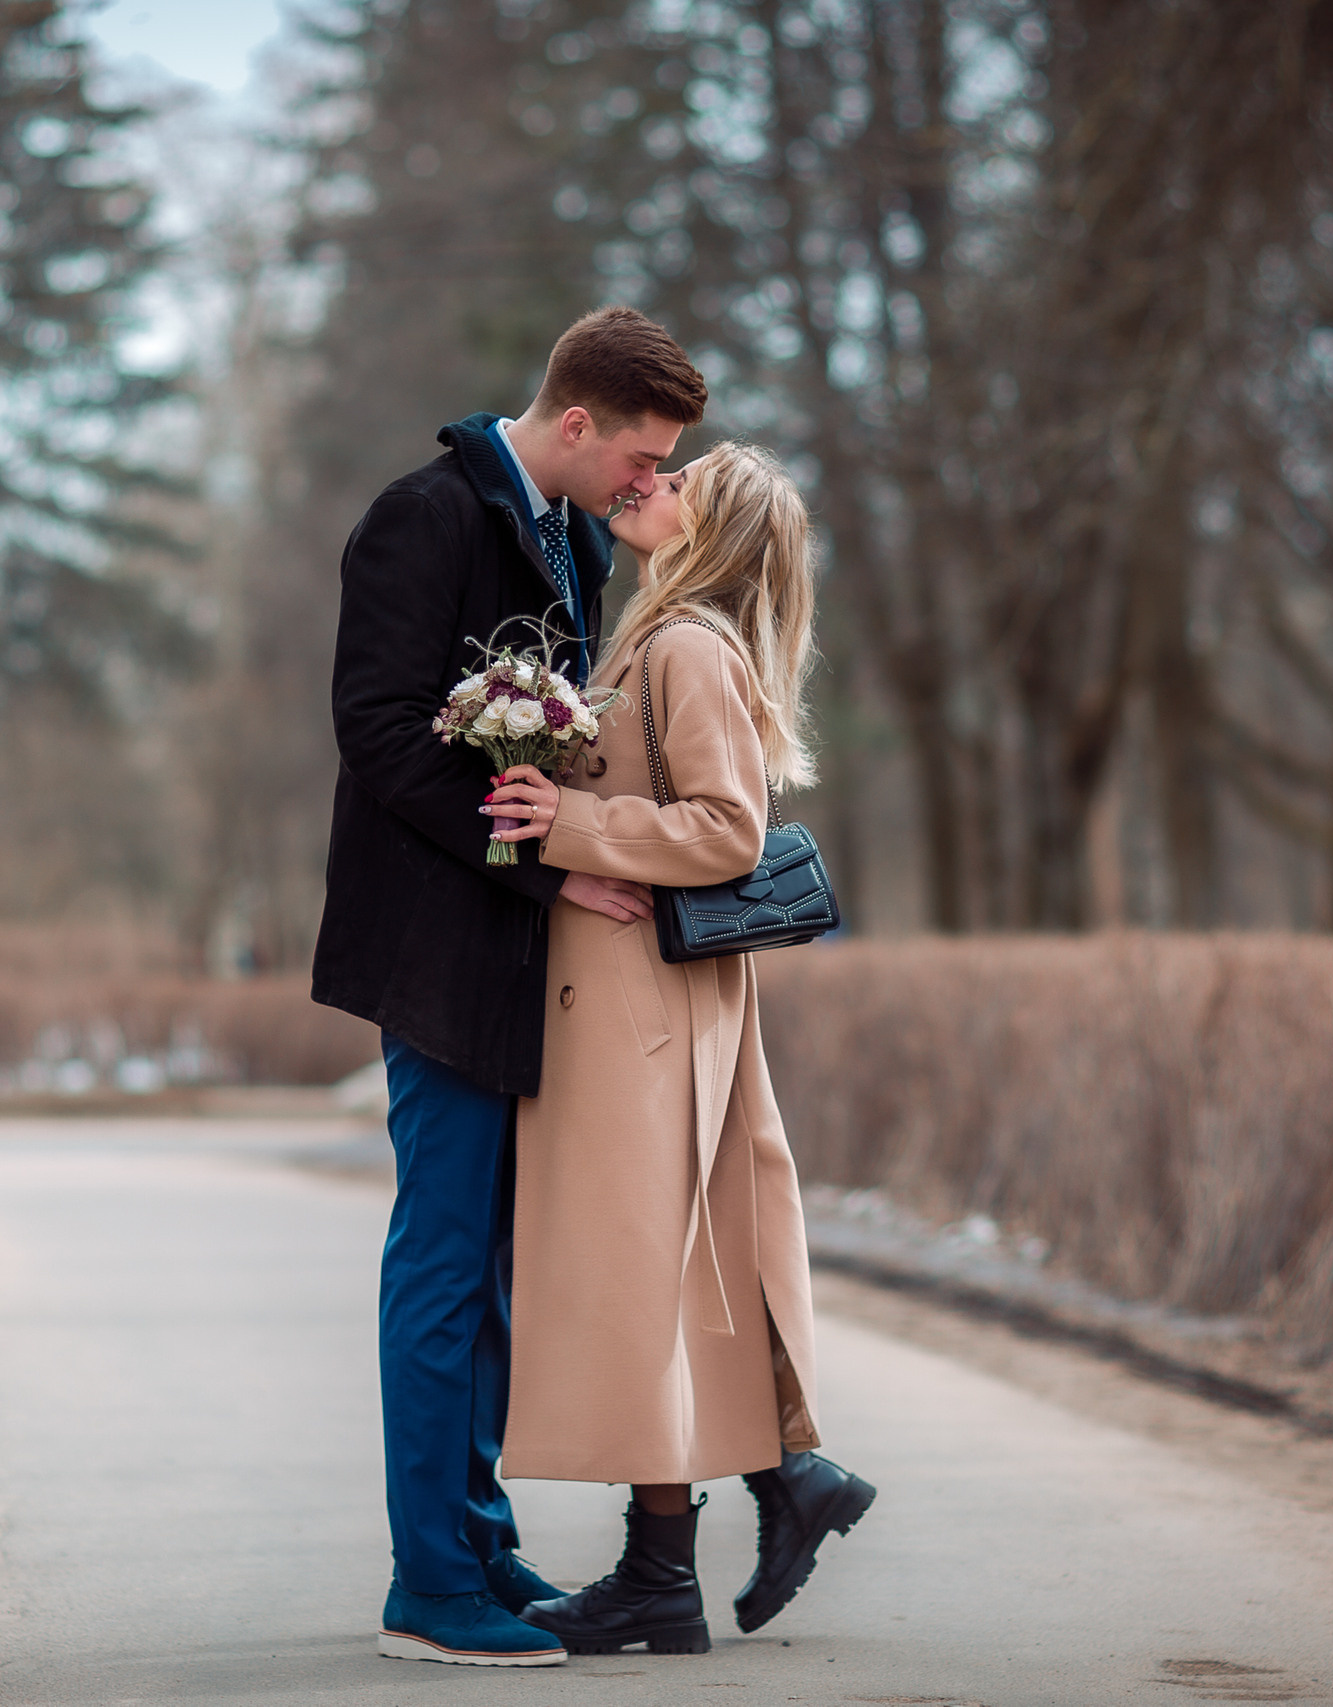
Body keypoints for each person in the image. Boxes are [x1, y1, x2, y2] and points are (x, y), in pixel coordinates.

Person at [311, 306, 708, 1666]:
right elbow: (377, 732)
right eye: (641, 457)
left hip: (513, 947)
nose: (647, 485)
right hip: (434, 940)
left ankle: (478, 1538)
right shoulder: (422, 515)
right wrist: (542, 866)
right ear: (578, 421)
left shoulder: (577, 535)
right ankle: (428, 1580)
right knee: (440, 1258)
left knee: (487, 1261)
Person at [482, 443, 879, 1656]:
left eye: (687, 475)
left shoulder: (688, 649)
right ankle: (766, 1493)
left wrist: (568, 819)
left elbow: (725, 830)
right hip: (638, 1007)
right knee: (659, 1273)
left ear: (715, 528)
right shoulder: (656, 636)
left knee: (638, 1279)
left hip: (643, 1021)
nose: (654, 476)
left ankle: (667, 1567)